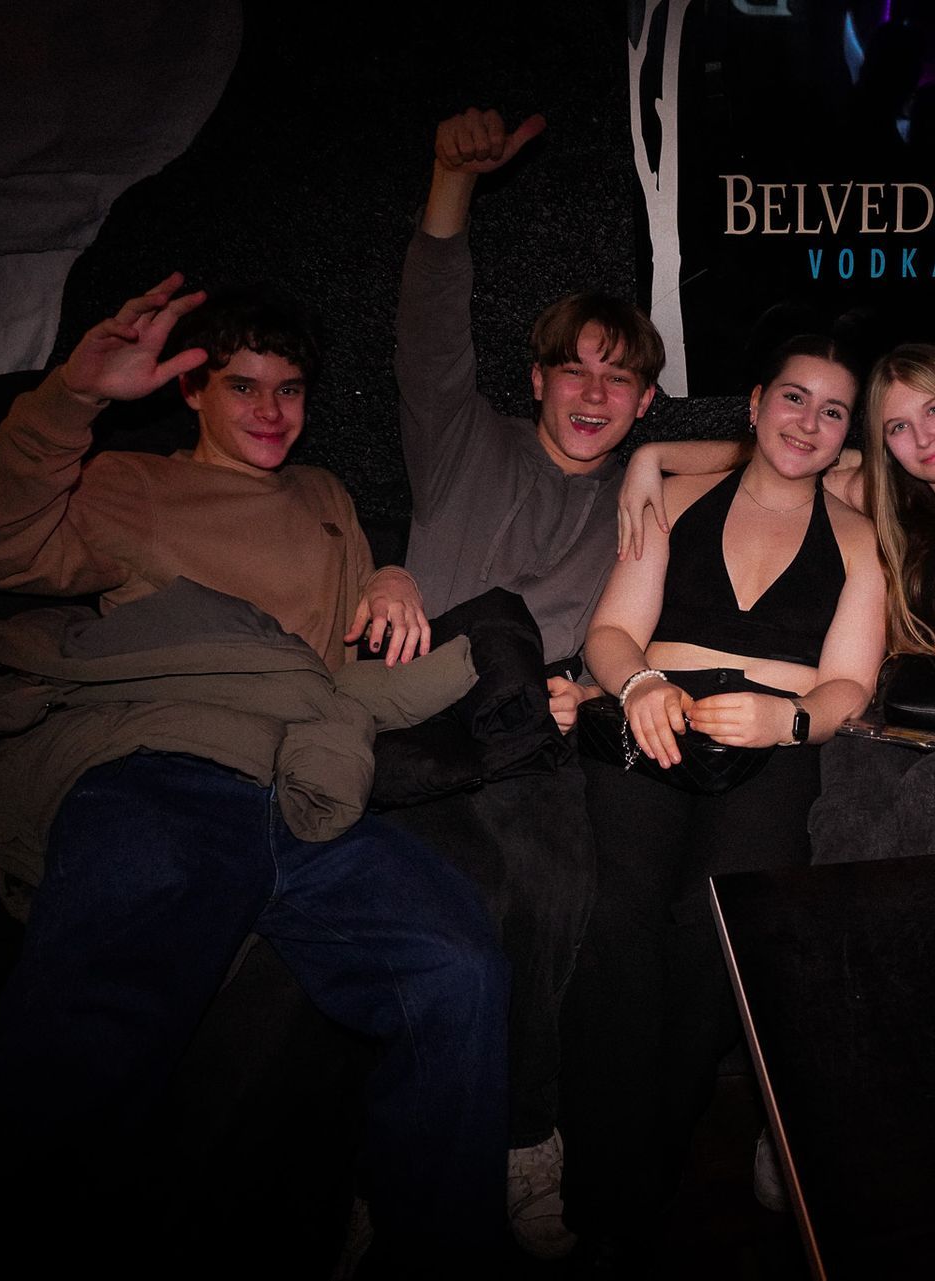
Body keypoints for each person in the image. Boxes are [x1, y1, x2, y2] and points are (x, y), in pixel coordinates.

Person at [0, 277, 512, 1270]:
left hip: (307, 788)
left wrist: (391, 576)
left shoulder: (324, 496)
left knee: (460, 967)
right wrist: (74, 395)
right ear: (193, 391)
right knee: (91, 1031)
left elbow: (349, 651)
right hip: (168, 766)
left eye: (290, 389)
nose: (272, 411)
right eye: (243, 386)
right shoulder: (129, 484)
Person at [392, 105, 666, 1256]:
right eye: (575, 370)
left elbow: (803, 460)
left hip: (534, 731)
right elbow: (428, 322)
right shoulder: (465, 437)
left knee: (555, 893)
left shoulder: (641, 506)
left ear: (645, 402)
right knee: (455, 914)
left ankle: (525, 1138)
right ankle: (402, 1159)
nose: (595, 395)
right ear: (540, 379)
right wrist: (451, 178)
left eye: (621, 380)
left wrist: (592, 696)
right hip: (414, 712)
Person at [560, 336, 885, 1261]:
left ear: (845, 435)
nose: (808, 422)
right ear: (755, 402)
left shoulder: (860, 536)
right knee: (618, 916)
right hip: (651, 715)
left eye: (831, 411)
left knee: (717, 930)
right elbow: (612, 630)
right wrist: (639, 685)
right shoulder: (676, 498)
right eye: (793, 397)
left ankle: (652, 1165)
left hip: (771, 741)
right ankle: (601, 1179)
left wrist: (790, 720)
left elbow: (850, 685)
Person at [620, 342, 935, 861]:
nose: (922, 437)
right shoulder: (882, 504)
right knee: (847, 817)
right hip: (897, 720)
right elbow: (781, 453)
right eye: (898, 426)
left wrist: (654, 454)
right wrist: (650, 457)